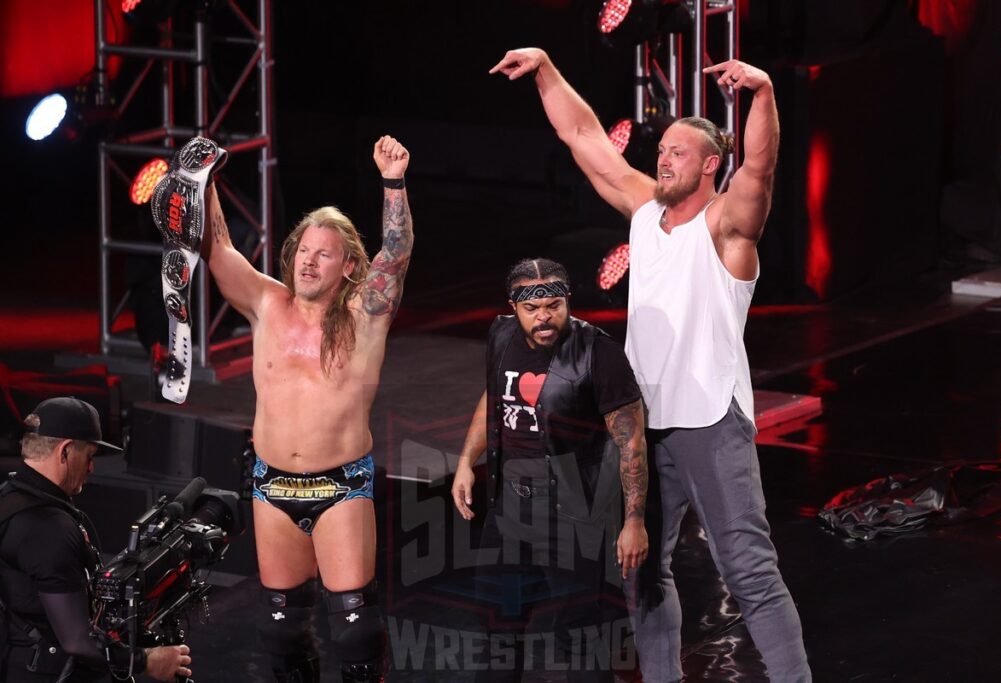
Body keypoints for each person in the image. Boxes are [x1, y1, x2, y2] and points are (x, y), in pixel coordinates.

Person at [490, 49, 811, 682]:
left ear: (710, 165)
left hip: (710, 422)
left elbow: (762, 170)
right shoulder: (643, 213)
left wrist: (765, 94)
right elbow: (583, 136)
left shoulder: (726, 227)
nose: (663, 158)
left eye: (678, 153)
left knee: (748, 571)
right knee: (639, 567)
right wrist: (548, 68)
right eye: (661, 149)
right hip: (637, 426)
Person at [201, 135, 413, 682]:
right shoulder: (266, 302)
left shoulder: (366, 314)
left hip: (339, 484)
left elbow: (397, 252)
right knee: (279, 628)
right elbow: (217, 248)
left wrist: (393, 182)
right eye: (303, 249)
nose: (308, 261)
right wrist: (205, 183)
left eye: (324, 253)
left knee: (354, 628)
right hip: (271, 485)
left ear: (347, 267)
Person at [451, 258, 648, 682]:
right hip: (508, 510)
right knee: (498, 630)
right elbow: (494, 398)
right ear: (514, 307)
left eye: (554, 306)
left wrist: (633, 520)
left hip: (571, 514)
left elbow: (630, 440)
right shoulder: (501, 335)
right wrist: (468, 460)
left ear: (567, 302)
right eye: (532, 309)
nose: (544, 317)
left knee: (577, 636)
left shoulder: (599, 352)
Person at [0, 397, 191, 682]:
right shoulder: (49, 529)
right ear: (65, 452)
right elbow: (77, 640)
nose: (91, 468)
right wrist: (145, 661)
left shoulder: (8, 496)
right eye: (89, 456)